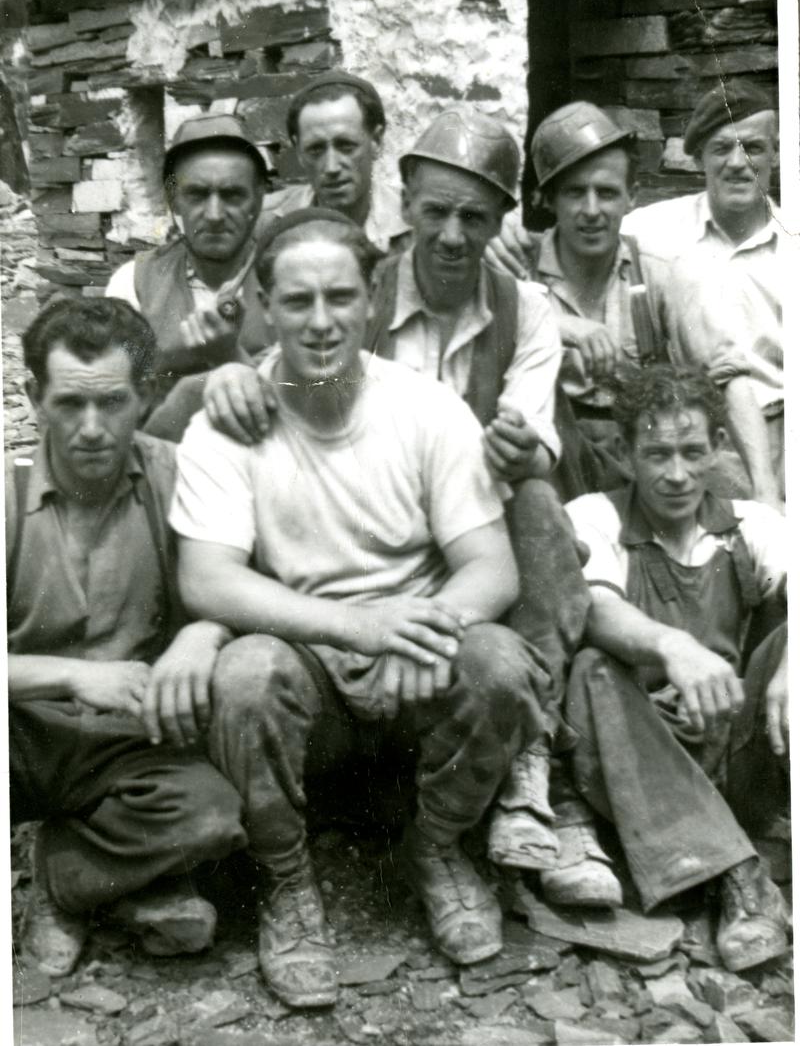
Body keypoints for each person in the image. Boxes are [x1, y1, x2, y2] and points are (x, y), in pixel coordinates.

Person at [200, 107, 618, 906]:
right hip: (363, 533)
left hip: (471, 536)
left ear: (503, 222)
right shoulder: (358, 288)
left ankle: (531, 763)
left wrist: (513, 447)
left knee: (532, 498)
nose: (455, 236)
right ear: (406, 204)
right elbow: (294, 361)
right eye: (436, 212)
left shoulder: (525, 309)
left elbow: (535, 452)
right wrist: (232, 374)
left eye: (476, 217)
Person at [169, 210, 552, 1008]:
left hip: (416, 660)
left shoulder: (426, 406)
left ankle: (437, 846)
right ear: (265, 307)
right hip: (309, 663)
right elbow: (207, 580)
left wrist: (423, 629)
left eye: (340, 297)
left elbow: (491, 566)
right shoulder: (228, 425)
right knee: (243, 674)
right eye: (297, 301)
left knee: (500, 664)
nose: (320, 321)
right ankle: (288, 886)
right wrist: (359, 625)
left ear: (372, 299)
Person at [7, 297, 247, 976]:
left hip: (127, 746)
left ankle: (64, 876)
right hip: (20, 734)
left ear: (144, 396)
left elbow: (236, 583)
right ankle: (139, 886)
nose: (90, 429)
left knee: (212, 818)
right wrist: (74, 675)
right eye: (69, 404)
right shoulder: (5, 496)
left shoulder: (179, 476)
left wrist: (202, 632)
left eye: (111, 403)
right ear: (33, 396)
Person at [562, 364, 789, 972]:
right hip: (633, 759)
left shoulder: (751, 526)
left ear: (719, 447)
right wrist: (672, 646)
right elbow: (593, 612)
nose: (677, 473)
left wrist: (790, 660)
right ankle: (742, 876)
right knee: (592, 667)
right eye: (657, 453)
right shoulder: (595, 518)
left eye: (693, 451)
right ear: (627, 453)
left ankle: (713, 847)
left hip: (731, 746)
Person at [487, 99, 780, 507]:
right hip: (549, 472)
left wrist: (766, 492)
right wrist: (560, 327)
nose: (592, 210)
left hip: (643, 474)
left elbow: (728, 376)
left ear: (631, 198)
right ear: (548, 199)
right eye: (575, 193)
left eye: (606, 193)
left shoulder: (658, 272)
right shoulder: (514, 268)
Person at [623, 80, 784, 496]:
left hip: (783, 435)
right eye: (720, 148)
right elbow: (580, 237)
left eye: (752, 147)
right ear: (699, 159)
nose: (737, 163)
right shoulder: (649, 229)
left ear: (776, 153)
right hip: (691, 440)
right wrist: (510, 239)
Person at [105, 114, 275, 435]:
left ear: (258, 199)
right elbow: (115, 406)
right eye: (197, 195)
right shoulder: (133, 285)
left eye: (233, 195)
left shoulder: (287, 280)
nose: (214, 215)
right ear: (174, 200)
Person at [260, 69, 409, 252]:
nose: (331, 167)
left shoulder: (412, 219)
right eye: (315, 149)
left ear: (376, 141)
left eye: (346, 146)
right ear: (298, 151)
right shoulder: (270, 224)